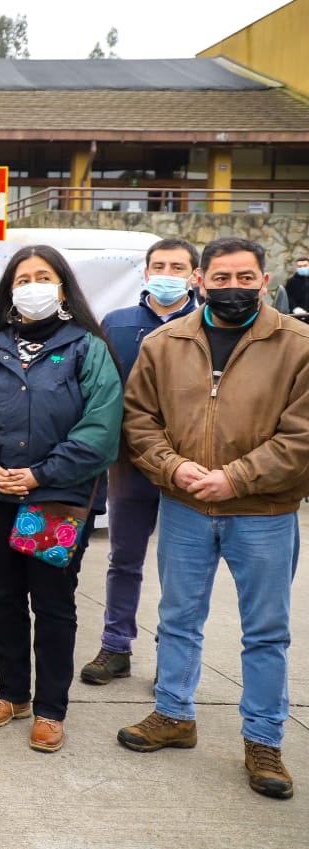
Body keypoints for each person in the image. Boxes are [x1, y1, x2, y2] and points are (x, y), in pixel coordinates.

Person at [118, 236, 309, 800]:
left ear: (265, 278)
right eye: (220, 278)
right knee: (177, 617)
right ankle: (174, 714)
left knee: (266, 633)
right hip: (184, 507)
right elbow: (139, 418)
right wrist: (173, 469)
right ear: (201, 280)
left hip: (264, 512)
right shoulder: (164, 342)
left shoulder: (298, 344)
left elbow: (301, 436)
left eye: (244, 278)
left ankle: (264, 740)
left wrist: (235, 477)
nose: (232, 289)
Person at [0, 246, 122, 753]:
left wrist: (39, 476)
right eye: (22, 278)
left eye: (43, 276)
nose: (32, 285)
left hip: (57, 499)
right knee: (4, 596)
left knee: (50, 599)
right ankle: (12, 695)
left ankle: (50, 709)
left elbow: (101, 428)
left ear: (62, 288)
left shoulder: (87, 348)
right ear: (10, 291)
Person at [80, 239, 198, 685]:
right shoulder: (118, 323)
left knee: (182, 567)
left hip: (190, 466)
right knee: (124, 559)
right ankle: (115, 647)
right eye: (158, 265)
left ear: (194, 275)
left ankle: (172, 656)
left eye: (177, 266)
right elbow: (101, 390)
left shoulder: (208, 322)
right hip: (130, 463)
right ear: (145, 272)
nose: (167, 273)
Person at [272, 255, 309, 320]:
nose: (302, 268)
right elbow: (288, 297)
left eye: (305, 266)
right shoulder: (291, 282)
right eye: (300, 266)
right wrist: (296, 309)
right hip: (297, 316)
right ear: (296, 268)